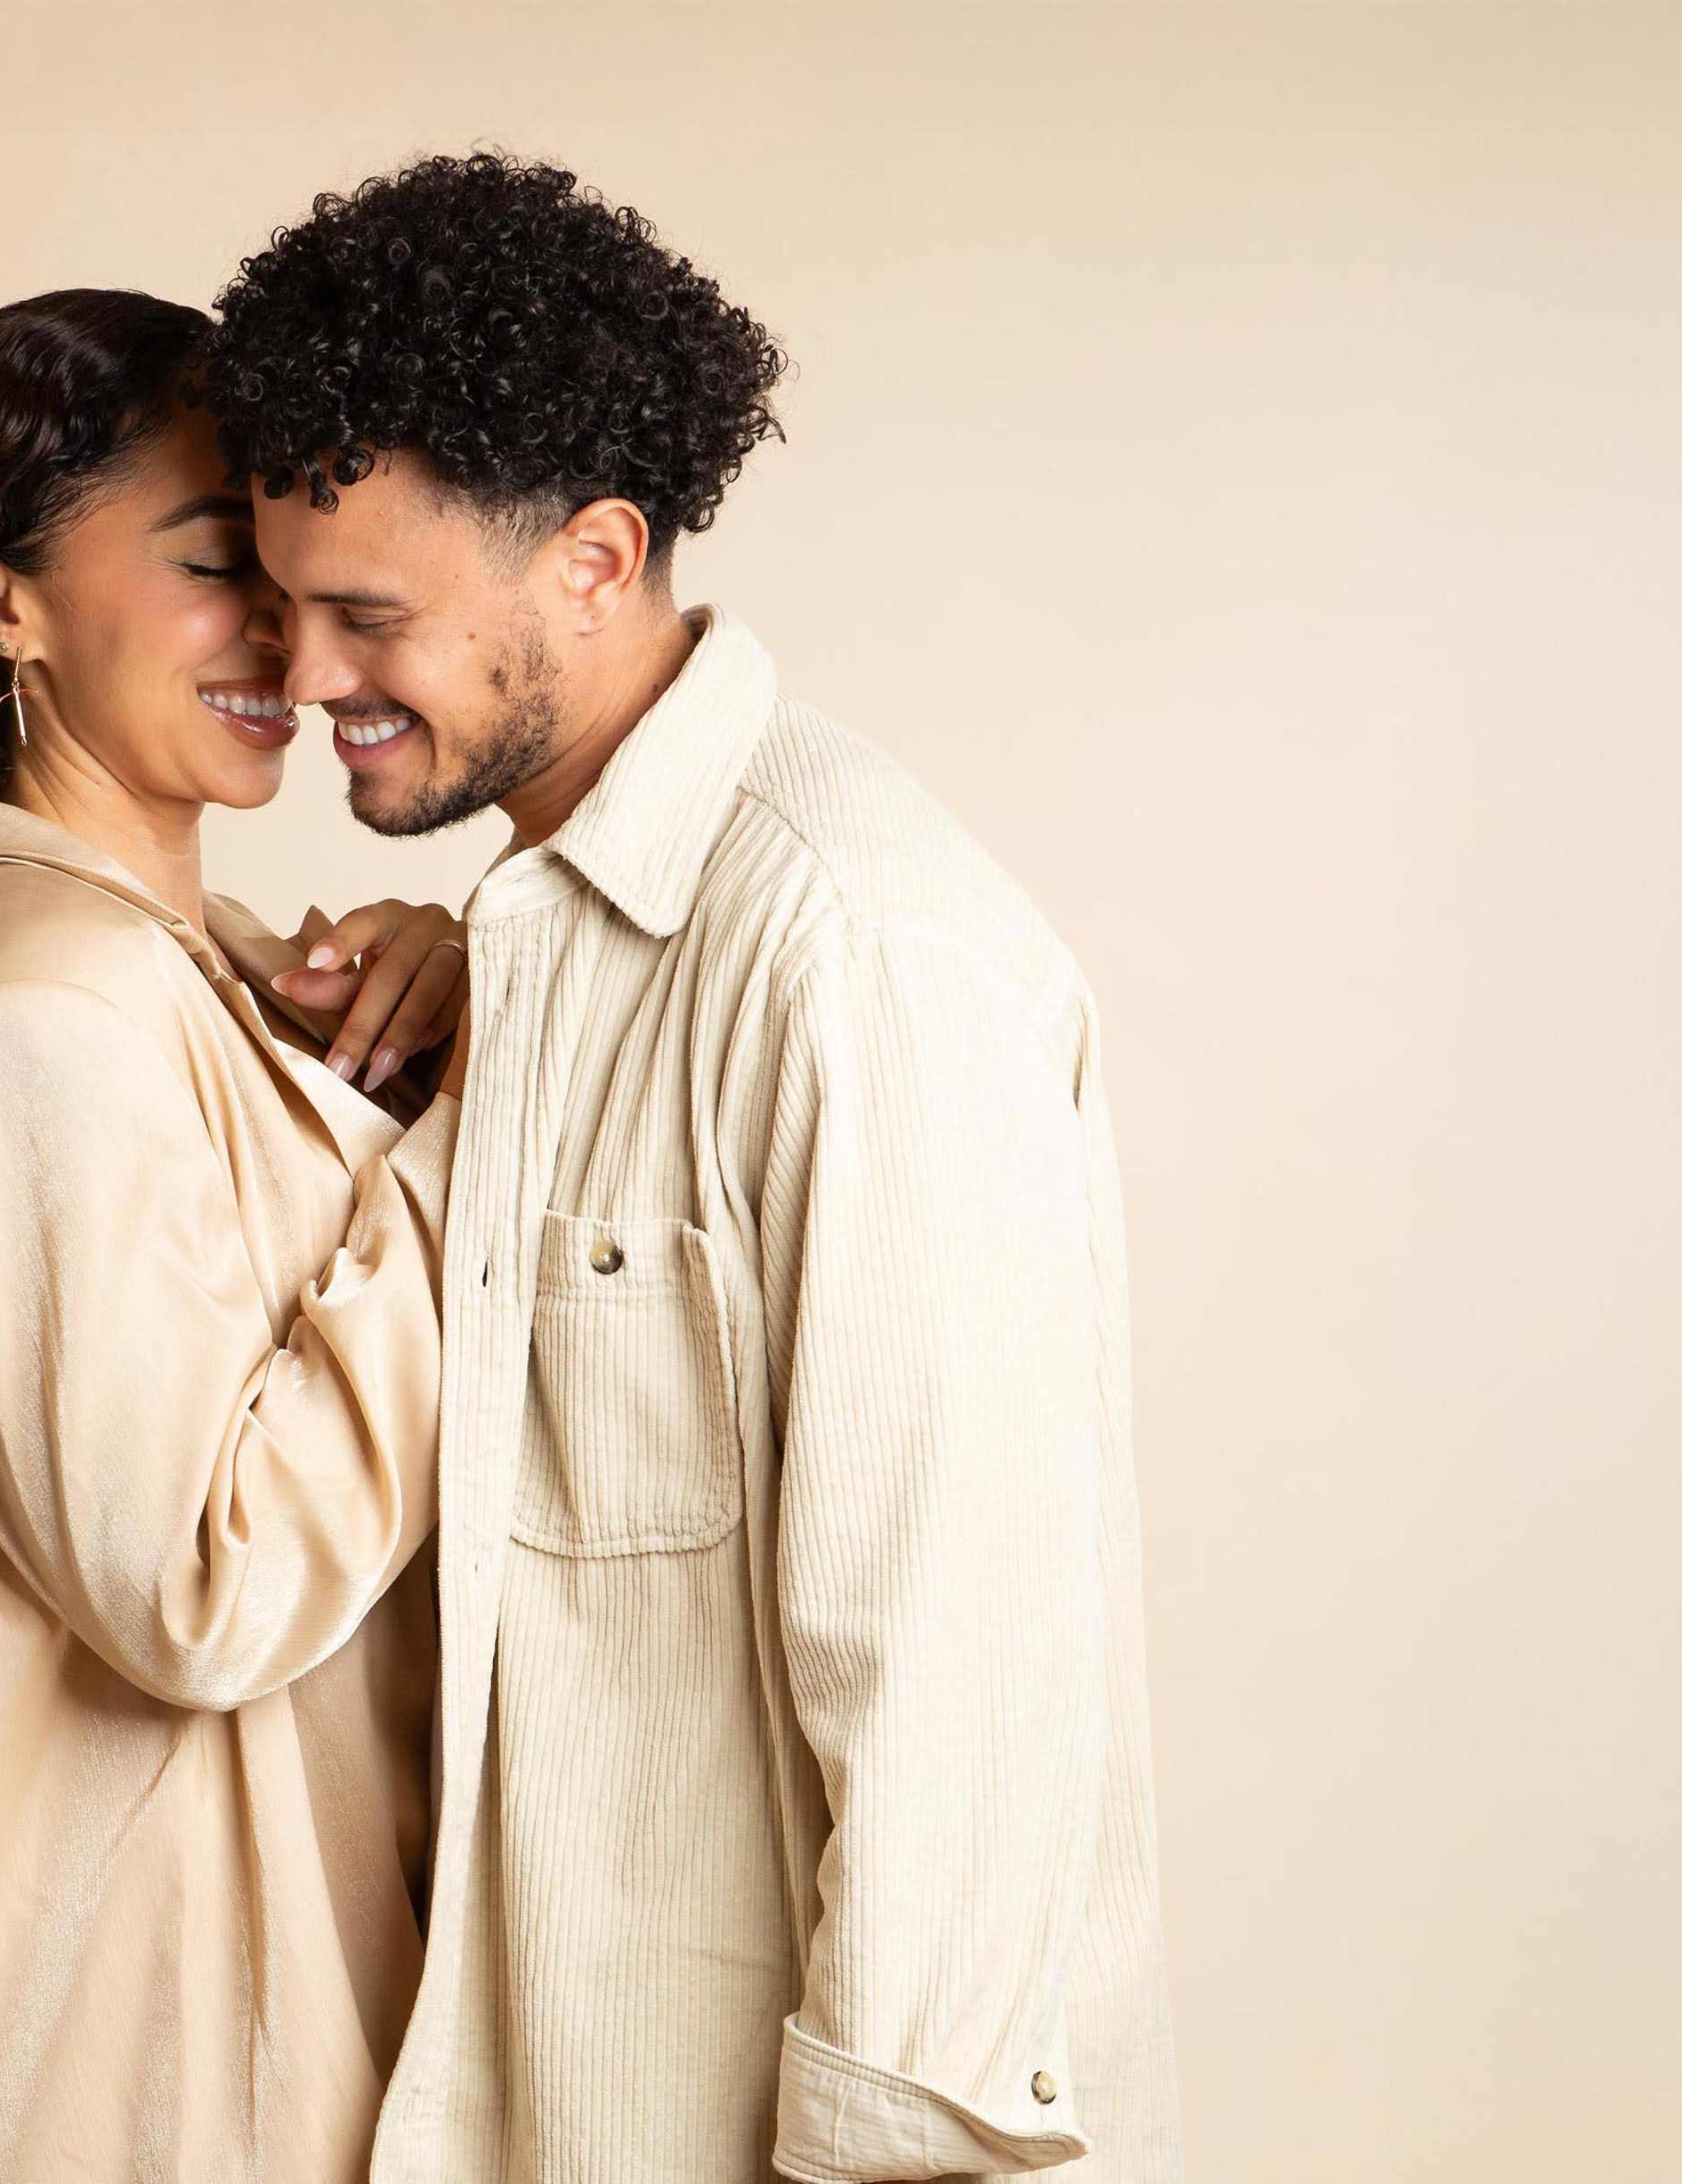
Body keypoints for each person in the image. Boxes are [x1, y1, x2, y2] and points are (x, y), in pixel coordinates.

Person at [203, 153, 1186, 2181]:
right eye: (288, 608)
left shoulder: (857, 959)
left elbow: (961, 1683)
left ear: (595, 556)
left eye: (369, 616)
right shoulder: (535, 954)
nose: (305, 685)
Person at [0, 288, 478, 2181]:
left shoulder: (166, 980)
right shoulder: (42, 1009)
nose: (286, 645)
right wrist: (484, 1144)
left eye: (298, 573)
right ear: (1, 601)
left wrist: (426, 1027)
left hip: (227, 2015)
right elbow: (203, 1589)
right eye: (220, 564)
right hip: (156, 2068)